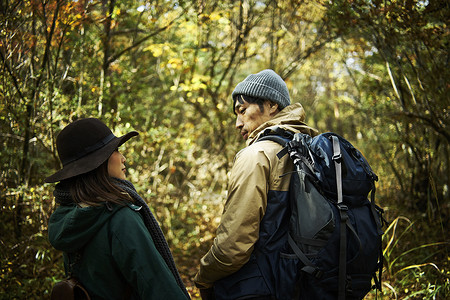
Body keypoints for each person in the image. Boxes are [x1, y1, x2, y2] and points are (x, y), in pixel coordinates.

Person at [194, 69, 318, 299]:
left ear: (271, 105)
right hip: (303, 285)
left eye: (242, 111)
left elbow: (233, 246)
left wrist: (204, 276)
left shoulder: (257, 155)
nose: (237, 123)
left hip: (260, 287)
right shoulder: (308, 150)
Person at [46, 118, 190, 299]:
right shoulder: (119, 217)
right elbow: (160, 288)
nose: (123, 158)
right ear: (98, 162)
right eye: (115, 150)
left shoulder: (66, 216)